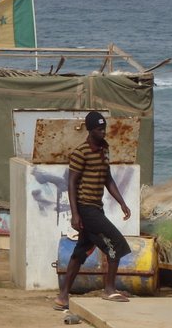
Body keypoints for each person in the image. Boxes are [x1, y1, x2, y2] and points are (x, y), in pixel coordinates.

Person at [54, 111, 132, 310]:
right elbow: (71, 183)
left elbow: (108, 179)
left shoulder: (104, 150)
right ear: (89, 130)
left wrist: (122, 202)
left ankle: (63, 297)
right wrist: (75, 214)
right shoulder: (80, 152)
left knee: (81, 250)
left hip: (97, 207)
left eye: (104, 128)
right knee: (115, 243)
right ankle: (109, 289)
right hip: (86, 208)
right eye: (98, 129)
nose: (103, 132)